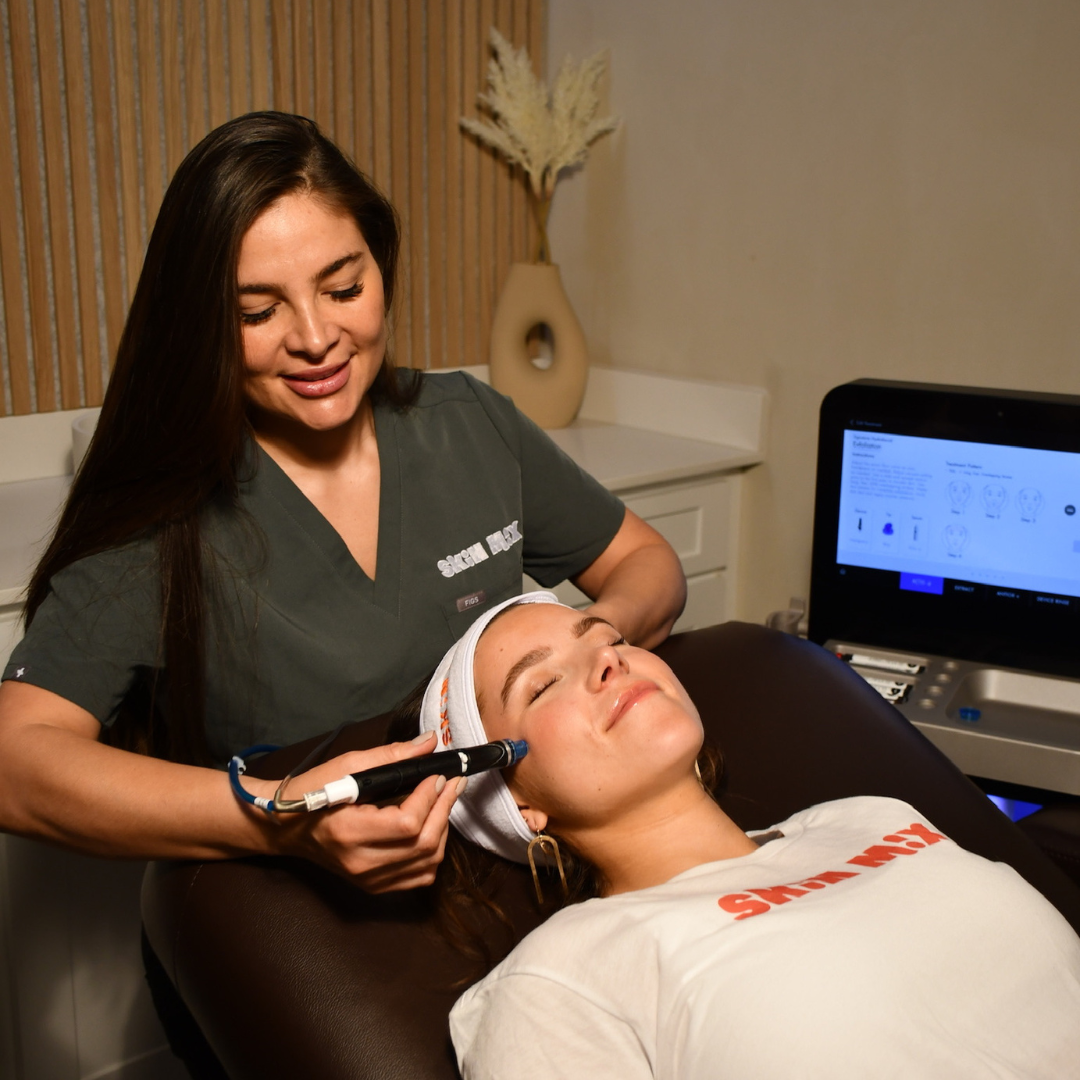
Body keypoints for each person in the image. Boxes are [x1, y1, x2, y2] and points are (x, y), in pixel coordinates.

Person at [0, 111, 685, 894]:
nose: (316, 336)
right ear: (203, 328)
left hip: (512, 886)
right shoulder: (168, 510)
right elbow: (15, 762)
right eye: (258, 312)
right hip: (290, 937)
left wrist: (593, 647)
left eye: (344, 287)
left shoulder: (467, 423)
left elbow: (646, 562)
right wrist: (285, 816)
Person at [417, 593, 1080, 1080]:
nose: (607, 664)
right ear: (517, 802)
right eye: (544, 682)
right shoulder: (560, 978)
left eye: (608, 638)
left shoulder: (870, 817)